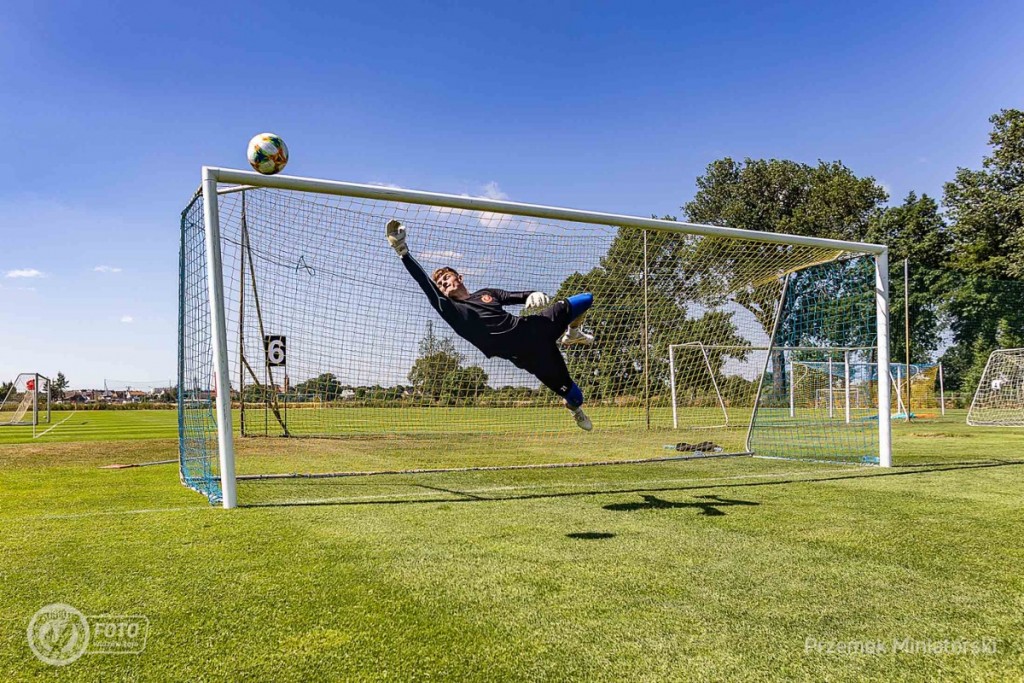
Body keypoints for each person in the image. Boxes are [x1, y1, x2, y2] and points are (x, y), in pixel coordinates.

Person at [386, 219, 595, 430]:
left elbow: (514, 296)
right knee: (576, 398)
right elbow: (426, 285)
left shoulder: (486, 294)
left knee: (585, 300)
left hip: (536, 326)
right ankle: (575, 410)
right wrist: (403, 251)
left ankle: (573, 332)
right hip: (533, 358)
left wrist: (533, 294)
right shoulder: (454, 312)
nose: (443, 284)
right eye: (440, 284)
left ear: (459, 277)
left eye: (446, 278)